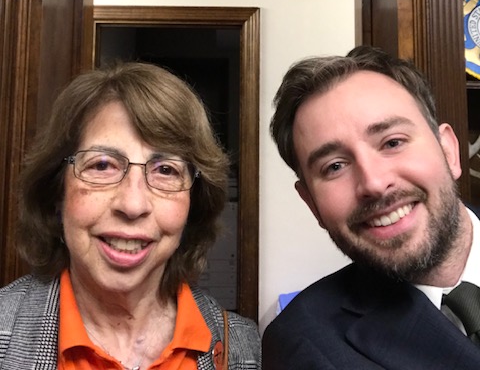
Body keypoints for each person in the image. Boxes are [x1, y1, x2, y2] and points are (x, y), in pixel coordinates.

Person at [0, 62, 260, 370]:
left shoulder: (246, 350)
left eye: (166, 170)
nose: (133, 204)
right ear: (57, 193)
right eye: (102, 165)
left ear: (194, 205)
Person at [262, 45, 480, 370]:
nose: (374, 183)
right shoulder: (301, 344)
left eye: (393, 142)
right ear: (311, 204)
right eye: (335, 166)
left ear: (448, 151)